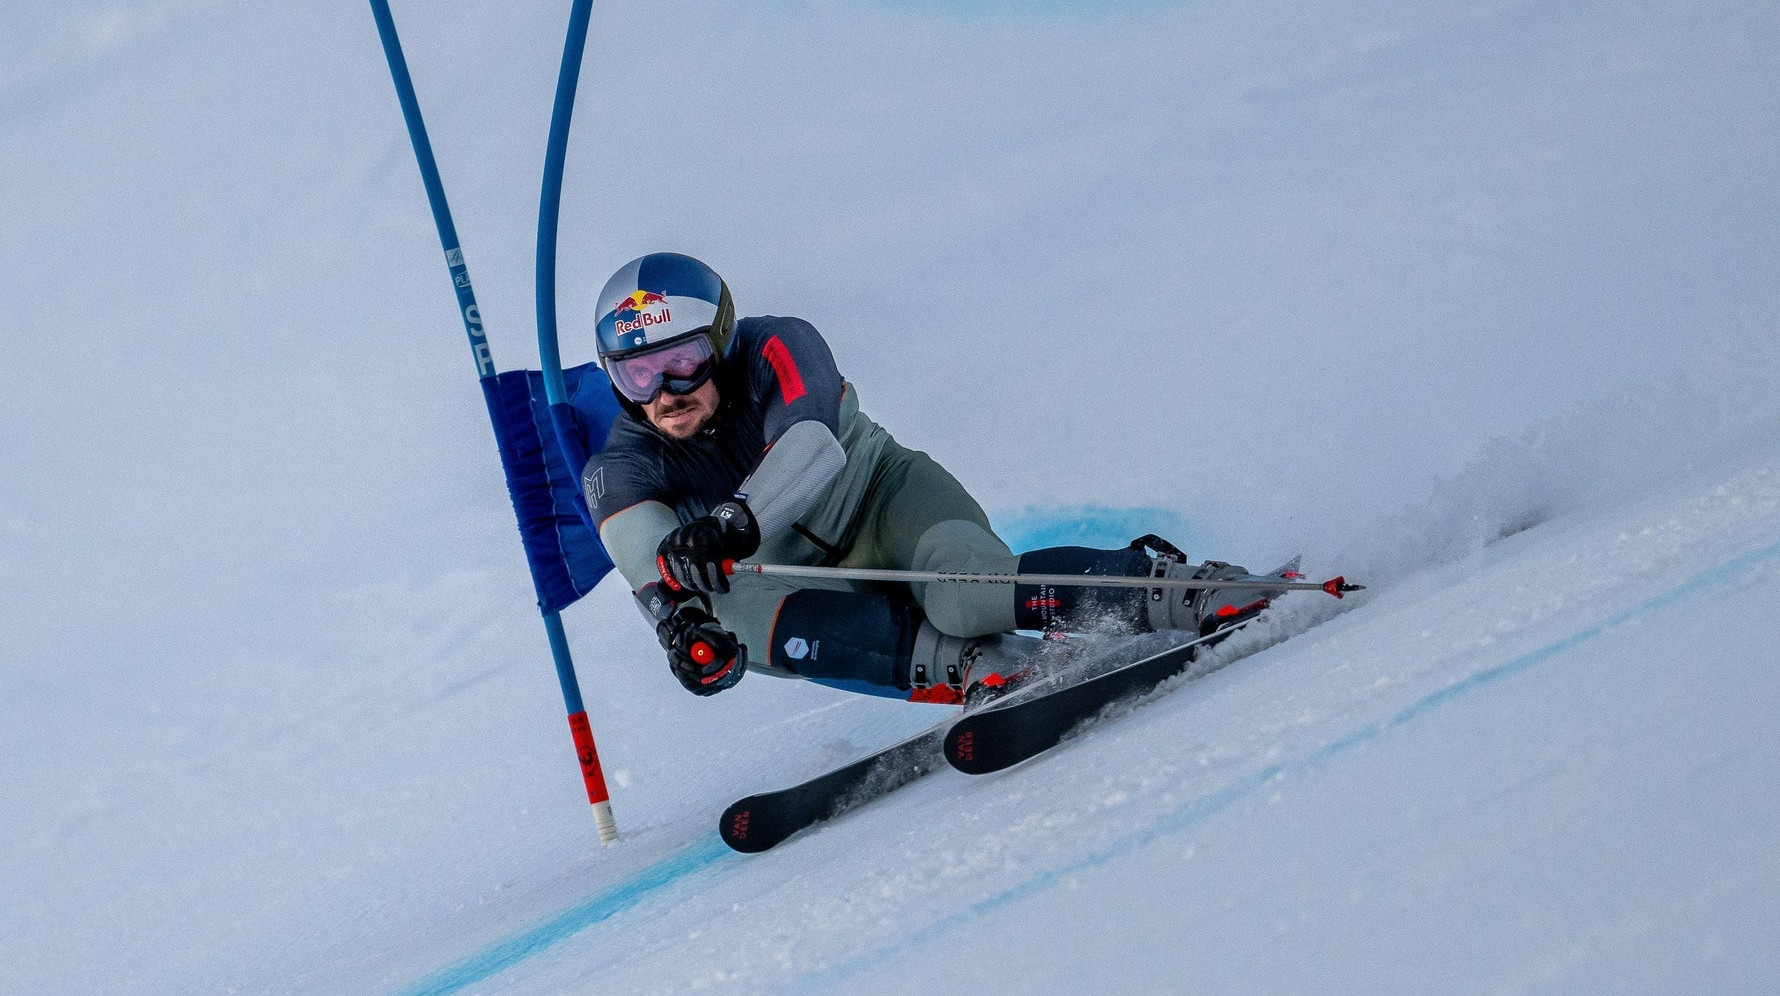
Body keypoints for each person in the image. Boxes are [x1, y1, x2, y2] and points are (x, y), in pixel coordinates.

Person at [581, 253, 1261, 702]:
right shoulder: (623, 459)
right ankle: (977, 664)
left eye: (684, 362)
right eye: (637, 374)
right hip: (809, 582)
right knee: (730, 612)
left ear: (724, 342)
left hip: (886, 502)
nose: (665, 391)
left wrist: (729, 524)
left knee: (963, 594)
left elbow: (814, 447)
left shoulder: (777, 343)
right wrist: (680, 630)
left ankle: (1181, 591)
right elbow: (642, 553)